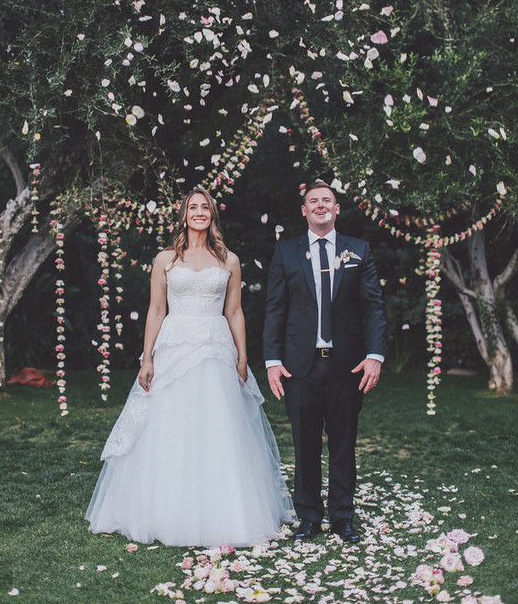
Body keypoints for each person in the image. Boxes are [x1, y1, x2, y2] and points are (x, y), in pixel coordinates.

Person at [86, 187, 293, 547]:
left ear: (212, 215)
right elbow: (156, 310)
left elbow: (234, 311)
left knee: (219, 427)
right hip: (174, 345)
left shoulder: (229, 259)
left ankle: (224, 512)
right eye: (193, 207)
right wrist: (147, 357)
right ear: (183, 215)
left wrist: (243, 356)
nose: (199, 212)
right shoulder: (165, 258)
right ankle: (166, 510)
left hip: (215, 347)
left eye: (205, 207)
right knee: (170, 426)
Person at [263, 180, 386, 544]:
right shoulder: (285, 252)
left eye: (326, 201)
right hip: (300, 365)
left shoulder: (358, 250)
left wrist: (374, 356)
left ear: (336, 209)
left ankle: (343, 518)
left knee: (344, 443)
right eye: (313, 201)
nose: (320, 206)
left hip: (348, 365)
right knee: (305, 443)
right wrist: (272, 360)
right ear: (304, 210)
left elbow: (374, 307)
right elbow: (274, 309)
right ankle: (309, 519)